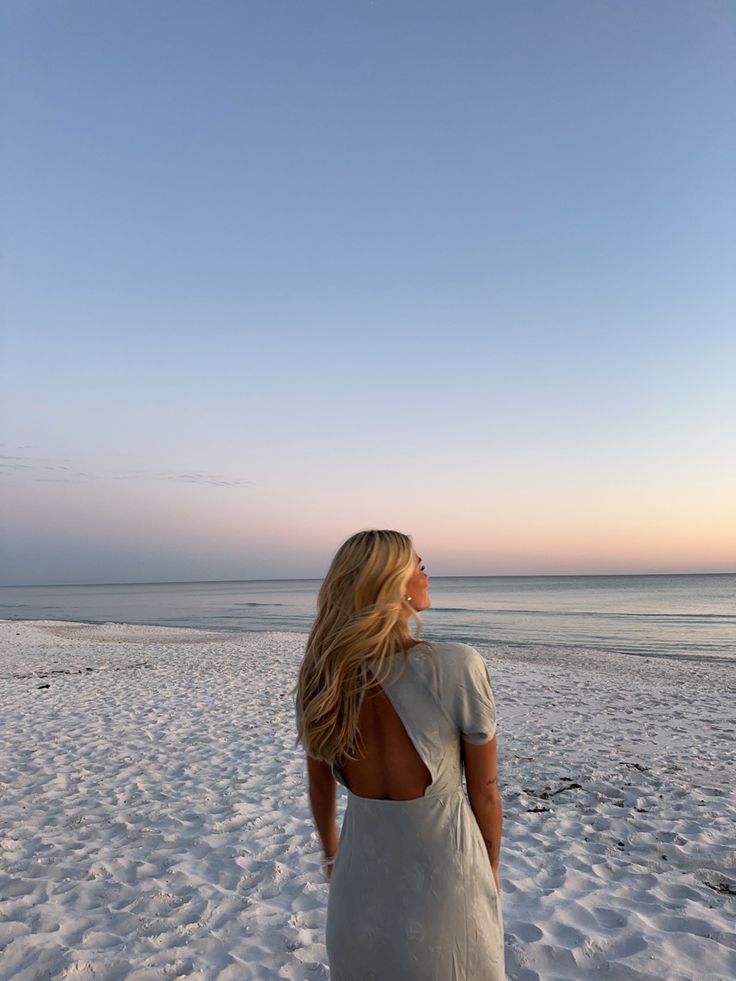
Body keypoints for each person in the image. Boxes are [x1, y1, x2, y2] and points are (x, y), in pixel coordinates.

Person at [293, 529, 505, 980]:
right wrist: (490, 868)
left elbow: (319, 784)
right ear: (392, 583)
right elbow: (484, 793)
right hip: (448, 878)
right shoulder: (455, 666)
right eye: (420, 566)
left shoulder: (323, 679)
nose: (428, 576)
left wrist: (332, 854)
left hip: (357, 883)